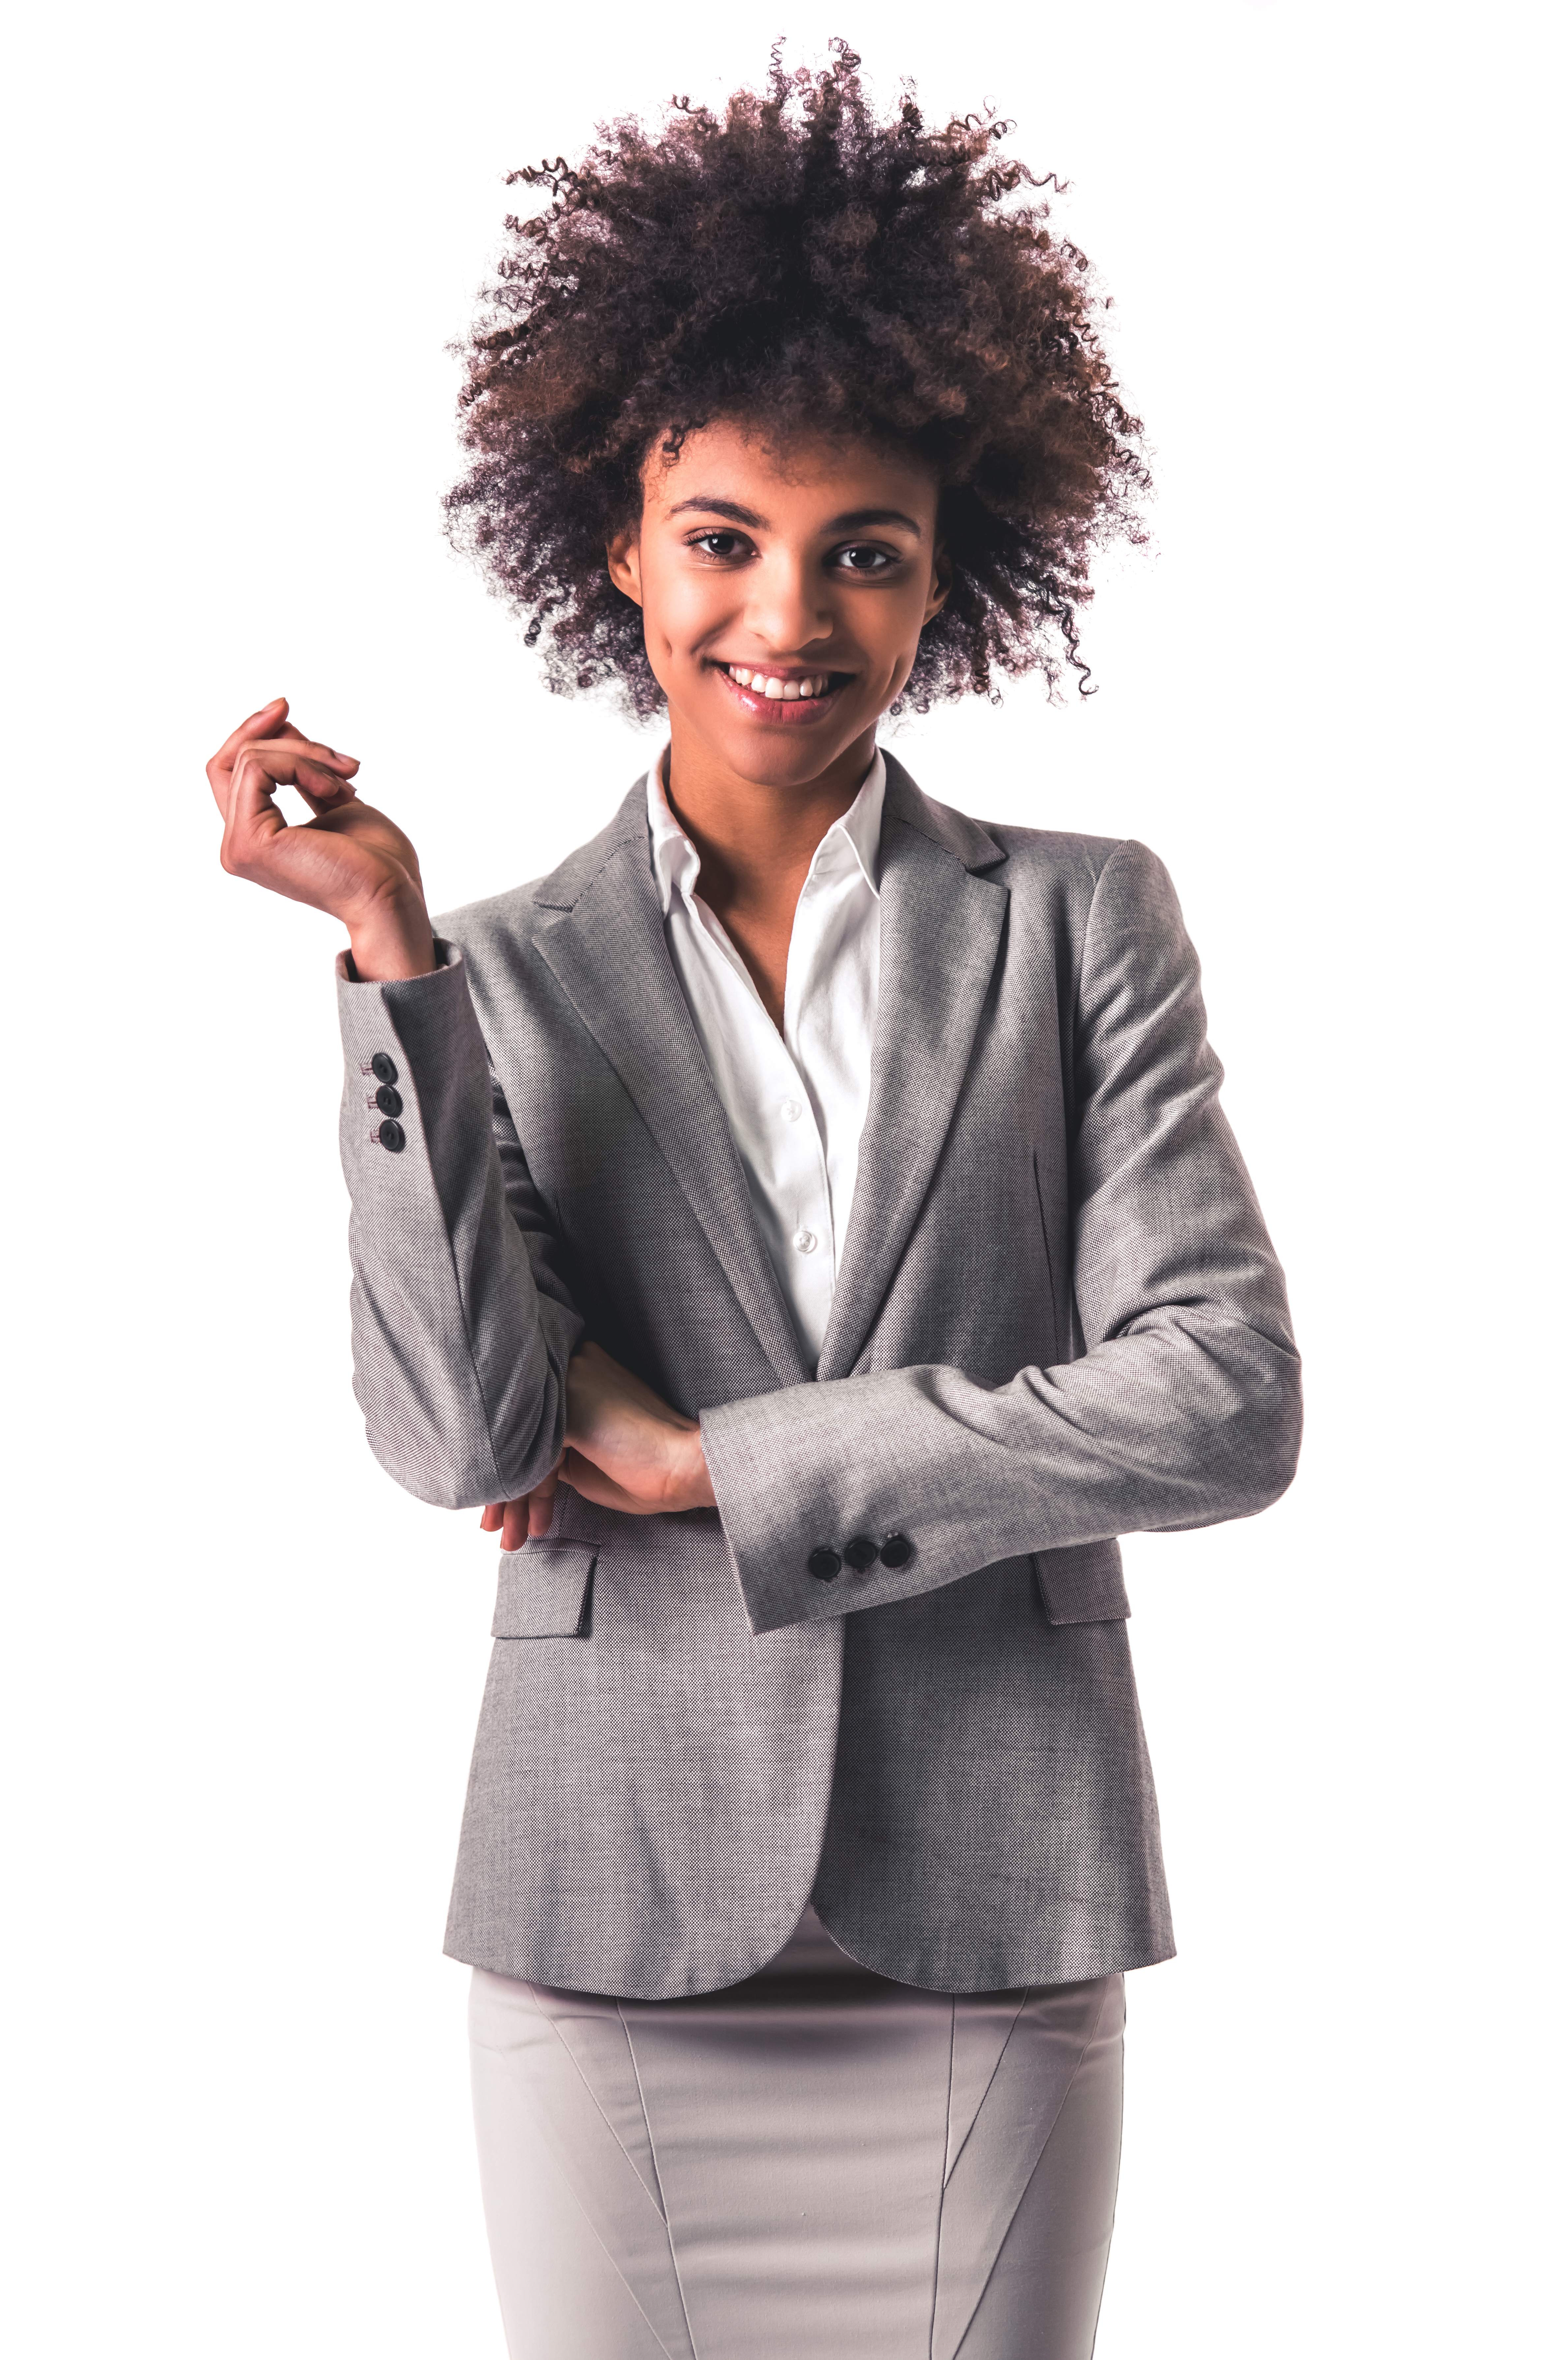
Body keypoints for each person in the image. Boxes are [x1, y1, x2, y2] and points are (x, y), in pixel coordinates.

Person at [206, 46, 1301, 2360]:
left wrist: (729, 1461)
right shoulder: (491, 970)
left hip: (992, 1887)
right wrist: (388, 951)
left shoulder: (1079, 918)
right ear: (619, 545)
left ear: (942, 579)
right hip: (611, 1906)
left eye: (859, 551)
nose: (782, 614)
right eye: (720, 538)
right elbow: (460, 1434)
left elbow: (1221, 1399)